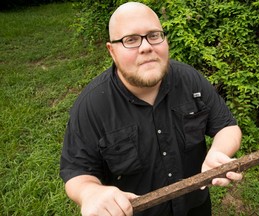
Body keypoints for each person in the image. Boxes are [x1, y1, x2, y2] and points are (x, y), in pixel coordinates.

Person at [60, 2, 243, 216]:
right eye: (131, 40)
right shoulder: (92, 106)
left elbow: (227, 127)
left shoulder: (190, 80)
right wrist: (90, 192)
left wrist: (219, 151)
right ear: (112, 51)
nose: (146, 46)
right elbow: (77, 171)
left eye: (154, 35)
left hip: (195, 207)